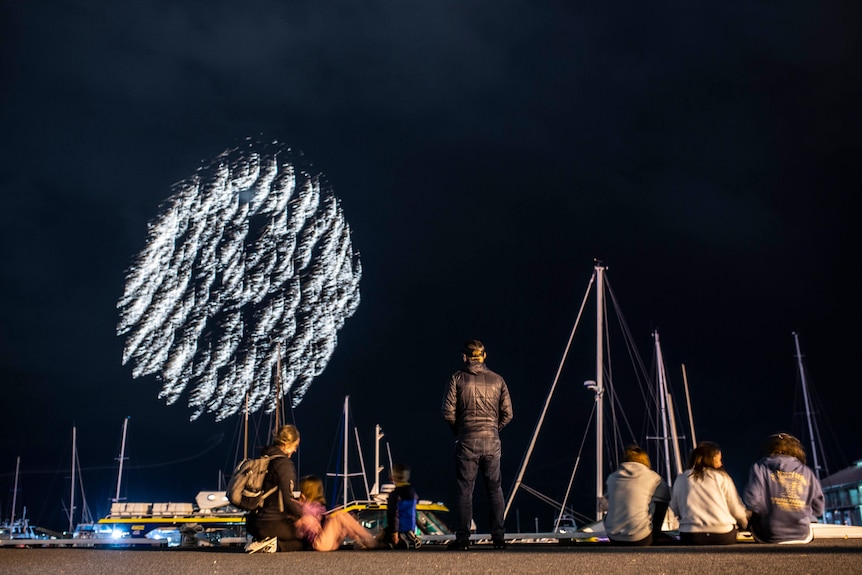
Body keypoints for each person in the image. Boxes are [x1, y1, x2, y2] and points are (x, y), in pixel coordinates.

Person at [441, 339, 513, 550]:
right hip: (492, 441)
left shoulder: (457, 378)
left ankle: (463, 539)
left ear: (465, 357)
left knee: (465, 491)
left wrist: (461, 431)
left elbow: (447, 412)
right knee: (495, 489)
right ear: (484, 356)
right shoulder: (498, 380)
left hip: (466, 441)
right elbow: (508, 413)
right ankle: (498, 538)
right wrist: (493, 429)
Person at [743, 433, 825, 544]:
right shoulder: (807, 471)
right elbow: (819, 508)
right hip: (802, 534)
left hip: (770, 534)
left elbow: (752, 500)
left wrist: (768, 513)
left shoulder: (760, 467)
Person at [670, 441, 749, 545]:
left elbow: (674, 509)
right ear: (712, 459)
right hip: (722, 534)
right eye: (719, 460)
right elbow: (736, 509)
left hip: (691, 535)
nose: (721, 464)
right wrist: (746, 525)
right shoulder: (722, 477)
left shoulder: (681, 478)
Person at [245, 424, 305, 553]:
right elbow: (288, 500)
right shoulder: (283, 464)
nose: (295, 450)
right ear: (286, 443)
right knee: (305, 539)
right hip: (271, 522)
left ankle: (261, 540)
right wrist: (303, 516)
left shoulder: (263, 458)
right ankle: (274, 545)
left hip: (252, 522)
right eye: (295, 446)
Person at [603, 445, 672, 546]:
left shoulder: (612, 477)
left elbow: (608, 499)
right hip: (640, 538)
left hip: (613, 536)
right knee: (661, 502)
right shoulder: (653, 477)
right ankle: (656, 533)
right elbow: (667, 496)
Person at [295, 475, 378, 551]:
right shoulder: (304, 507)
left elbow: (324, 520)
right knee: (339, 515)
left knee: (340, 513)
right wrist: (304, 522)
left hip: (329, 541)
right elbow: (299, 534)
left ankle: (360, 541)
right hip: (320, 543)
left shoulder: (318, 506)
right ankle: (368, 539)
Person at [380, 463, 421, 549]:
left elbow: (393, 514)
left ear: (392, 477)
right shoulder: (413, 493)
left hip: (397, 529)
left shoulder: (395, 495)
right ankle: (409, 537)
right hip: (410, 528)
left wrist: (394, 532)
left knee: (378, 542)